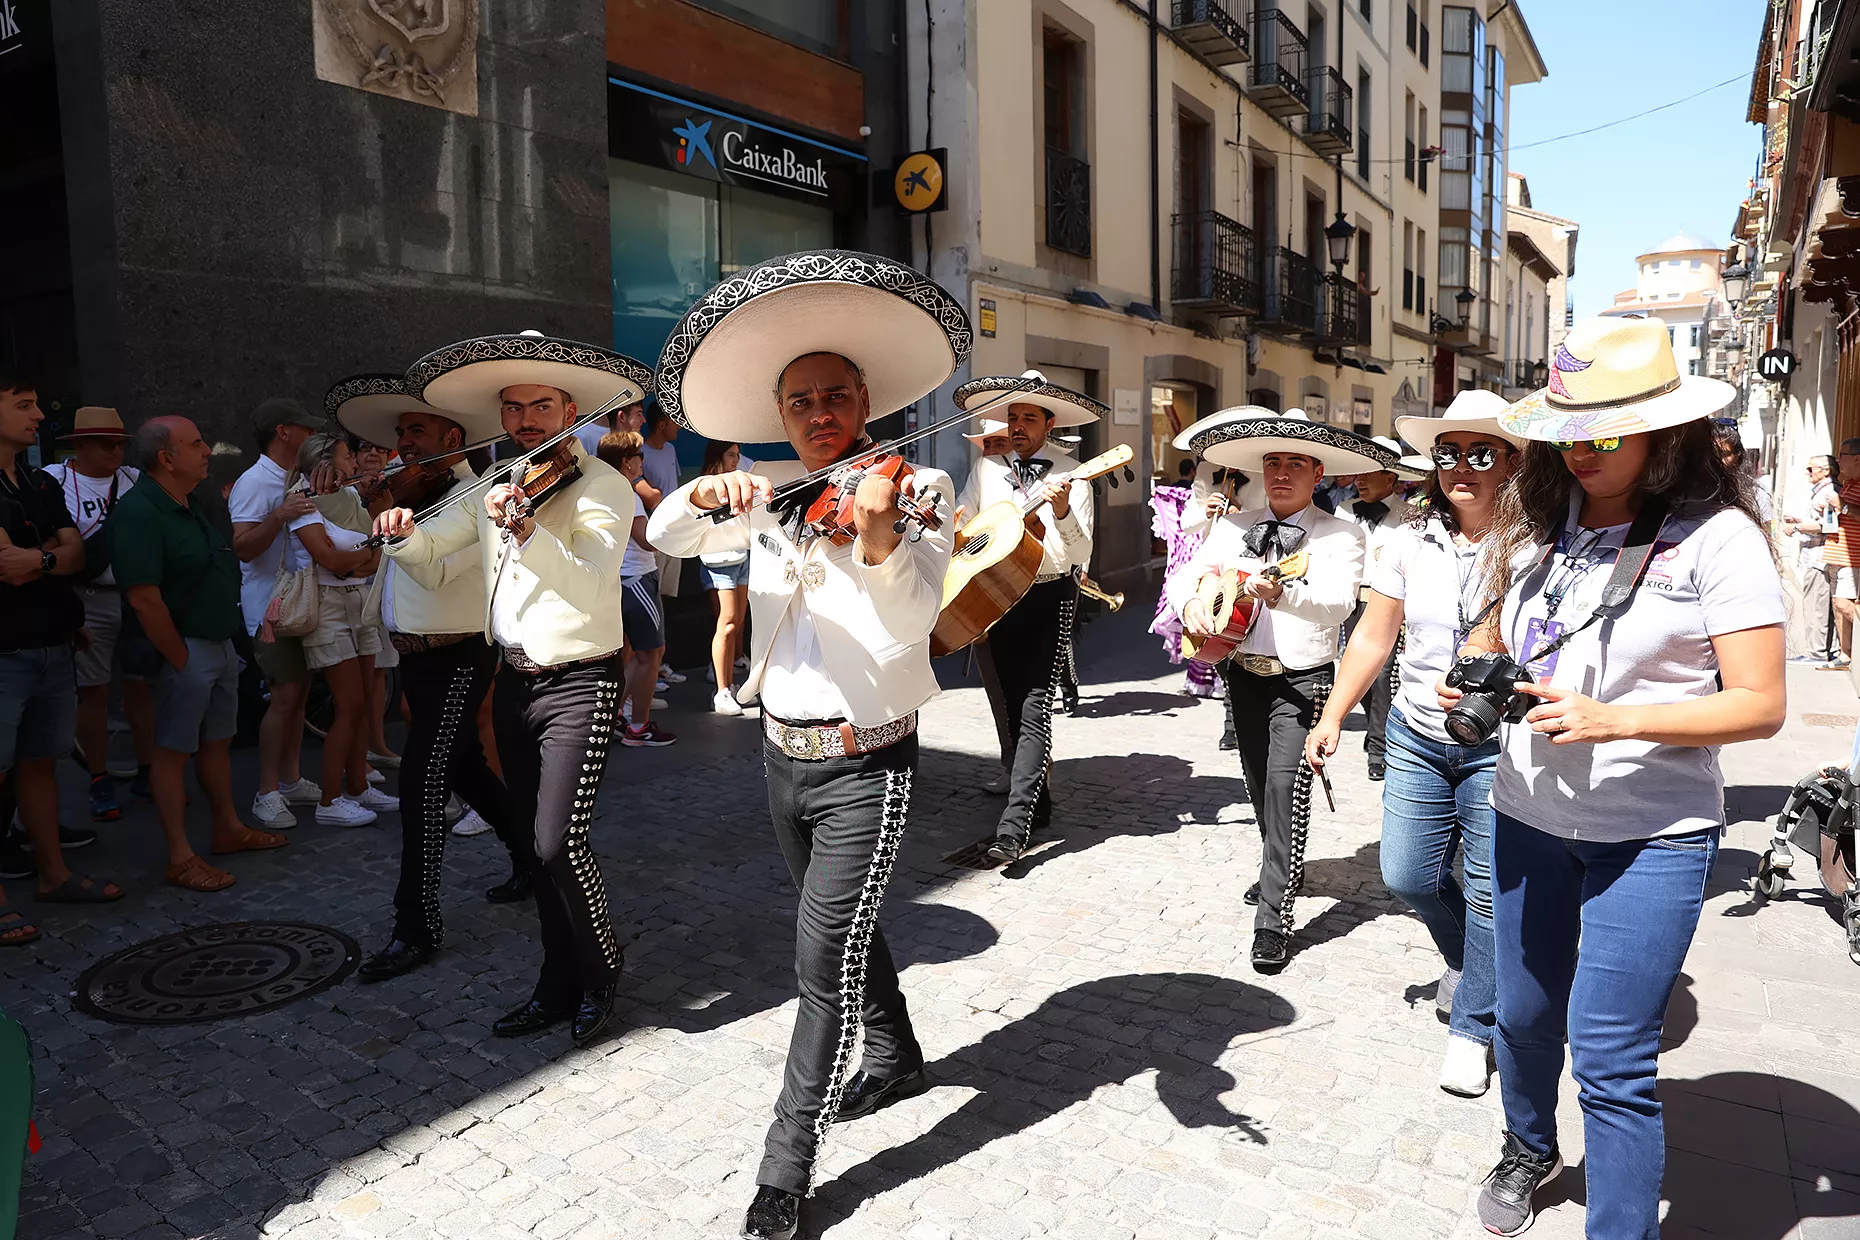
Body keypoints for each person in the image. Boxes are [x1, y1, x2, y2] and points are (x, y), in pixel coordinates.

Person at [647, 249, 965, 1240]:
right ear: (781, 414)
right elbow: (664, 533)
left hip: (867, 760)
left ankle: (785, 1169)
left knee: (817, 961)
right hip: (782, 757)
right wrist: (705, 500)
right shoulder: (771, 487)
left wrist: (872, 541)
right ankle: (899, 1051)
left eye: (835, 396)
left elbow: (912, 613)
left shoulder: (916, 490)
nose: (819, 412)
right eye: (801, 400)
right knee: (847, 927)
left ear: (863, 397)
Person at [1451, 318, 1785, 1238]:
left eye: (1608, 432)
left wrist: (1616, 717)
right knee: (1520, 1016)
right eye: (1570, 433)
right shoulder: (1528, 528)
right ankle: (1529, 1146)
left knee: (1610, 1057)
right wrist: (1473, 674)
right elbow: (1493, 638)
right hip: (1524, 816)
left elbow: (1760, 705)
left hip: (1654, 835)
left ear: (1662, 435)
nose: (1584, 451)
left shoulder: (1718, 541)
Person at [376, 331, 649, 1046]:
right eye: (514, 408)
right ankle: (557, 982)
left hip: (582, 682)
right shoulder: (496, 483)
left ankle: (601, 967)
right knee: (533, 840)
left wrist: (528, 531)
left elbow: (591, 577)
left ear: (568, 410)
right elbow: (435, 550)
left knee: (559, 844)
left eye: (541, 406)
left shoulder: (603, 485)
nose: (527, 420)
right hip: (513, 680)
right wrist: (401, 530)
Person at [1304, 390, 1518, 1098]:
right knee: (1407, 876)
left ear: (1513, 462)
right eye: (1448, 453)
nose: (1462, 466)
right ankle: (1469, 959)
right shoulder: (1405, 537)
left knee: (1488, 891)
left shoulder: (1537, 544)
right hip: (1418, 733)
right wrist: (1334, 714)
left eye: (1481, 452)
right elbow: (1374, 633)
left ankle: (1475, 1026)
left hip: (1502, 745)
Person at [325, 375, 537, 982]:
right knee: (465, 765)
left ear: (451, 436)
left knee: (422, 787)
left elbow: (435, 574)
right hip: (416, 660)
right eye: (399, 434)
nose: (403, 443)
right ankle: (527, 856)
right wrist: (331, 491)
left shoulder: (480, 497)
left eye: (415, 431)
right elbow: (347, 516)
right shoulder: (412, 491)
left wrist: (389, 518)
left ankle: (414, 927)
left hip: (459, 655)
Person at [1171, 411, 1390, 973]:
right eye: (1274, 462)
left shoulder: (1343, 532)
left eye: (1296, 462)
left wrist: (1281, 594)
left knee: (1283, 788)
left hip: (1304, 677)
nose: (1283, 472)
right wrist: (1192, 603)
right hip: (1241, 670)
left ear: (1318, 472)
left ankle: (1273, 918)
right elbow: (1187, 576)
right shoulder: (1232, 525)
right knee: (1257, 784)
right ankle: (1282, 865)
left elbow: (1340, 604)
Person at [115, 417, 290, 891]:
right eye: (195, 445)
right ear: (166, 458)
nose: (207, 451)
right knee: (172, 752)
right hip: (185, 648)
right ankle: (179, 856)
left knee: (218, 742)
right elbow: (143, 597)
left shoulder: (190, 503)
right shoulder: (140, 511)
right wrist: (179, 657)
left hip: (216, 643)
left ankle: (228, 829)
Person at [952, 371, 1102, 864]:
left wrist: (1060, 514)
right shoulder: (987, 469)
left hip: (1049, 595)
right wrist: (955, 529)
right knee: (1012, 706)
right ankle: (1039, 802)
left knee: (1036, 707)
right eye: (1012, 417)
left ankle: (1014, 829)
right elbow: (970, 524)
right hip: (995, 596)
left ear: (1049, 424)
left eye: (1028, 418)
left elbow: (1078, 553)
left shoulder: (1072, 472)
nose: (1017, 426)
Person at [0, 373, 120, 929]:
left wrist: (40, 557)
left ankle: (53, 875)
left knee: (40, 763)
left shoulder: (38, 485)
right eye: (23, 406)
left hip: (51, 640)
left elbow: (72, 555)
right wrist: (48, 552)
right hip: (4, 651)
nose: (38, 417)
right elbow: (8, 566)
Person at [42, 407, 157, 820]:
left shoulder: (134, 480)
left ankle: (147, 772)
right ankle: (98, 776)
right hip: (89, 595)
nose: (116, 451)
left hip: (134, 594)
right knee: (94, 689)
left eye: (120, 444)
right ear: (82, 445)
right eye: (107, 444)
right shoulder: (55, 481)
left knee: (140, 685)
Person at [286, 432, 397, 826]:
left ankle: (357, 786)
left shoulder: (348, 495)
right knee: (348, 706)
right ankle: (329, 802)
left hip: (358, 600)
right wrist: (365, 557)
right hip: (329, 607)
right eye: (348, 456)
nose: (355, 462)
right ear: (323, 464)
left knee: (365, 701)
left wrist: (361, 559)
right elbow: (335, 560)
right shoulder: (302, 501)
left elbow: (374, 551)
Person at [228, 398, 326, 828]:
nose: (311, 435)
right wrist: (280, 514)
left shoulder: (297, 475)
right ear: (283, 431)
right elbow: (243, 547)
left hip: (297, 604)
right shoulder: (254, 481)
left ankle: (289, 780)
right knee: (284, 698)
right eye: (304, 428)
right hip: (270, 607)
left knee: (298, 697)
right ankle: (266, 791)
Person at [1337, 436, 1414, 781]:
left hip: (1386, 603)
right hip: (1351, 601)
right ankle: (1374, 727)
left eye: (1371, 473)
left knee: (1381, 675)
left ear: (1391, 479)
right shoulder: (1343, 511)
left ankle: (1379, 748)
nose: (1361, 480)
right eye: (1359, 473)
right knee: (1358, 672)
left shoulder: (1410, 516)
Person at [595, 430, 676, 745]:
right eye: (639, 456)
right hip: (636, 578)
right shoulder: (626, 494)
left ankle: (615, 718)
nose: (643, 461)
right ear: (627, 462)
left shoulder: (605, 489)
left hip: (624, 579)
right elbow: (646, 540)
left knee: (641, 654)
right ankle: (638, 727)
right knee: (650, 654)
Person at [697, 439, 753, 715]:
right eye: (731, 455)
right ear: (718, 457)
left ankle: (730, 687)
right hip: (720, 561)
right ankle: (722, 691)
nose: (736, 460)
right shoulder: (707, 486)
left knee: (738, 622)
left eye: (737, 455)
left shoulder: (735, 481)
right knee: (728, 623)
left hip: (741, 557)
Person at [1782, 454, 1837, 662]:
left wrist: (1796, 527)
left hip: (1819, 556)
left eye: (1811, 469)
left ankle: (1817, 652)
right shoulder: (1822, 492)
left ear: (1825, 471)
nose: (1808, 473)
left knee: (1817, 606)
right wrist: (1799, 521)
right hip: (1814, 554)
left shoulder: (1828, 493)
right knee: (1815, 603)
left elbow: (1828, 526)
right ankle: (1819, 650)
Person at [1821, 437, 1860, 671]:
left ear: (1856, 459)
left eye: (1842, 456)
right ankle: (1845, 655)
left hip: (1853, 557)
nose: (1838, 461)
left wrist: (1842, 505)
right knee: (1838, 605)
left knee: (1846, 604)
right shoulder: (1848, 484)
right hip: (1836, 554)